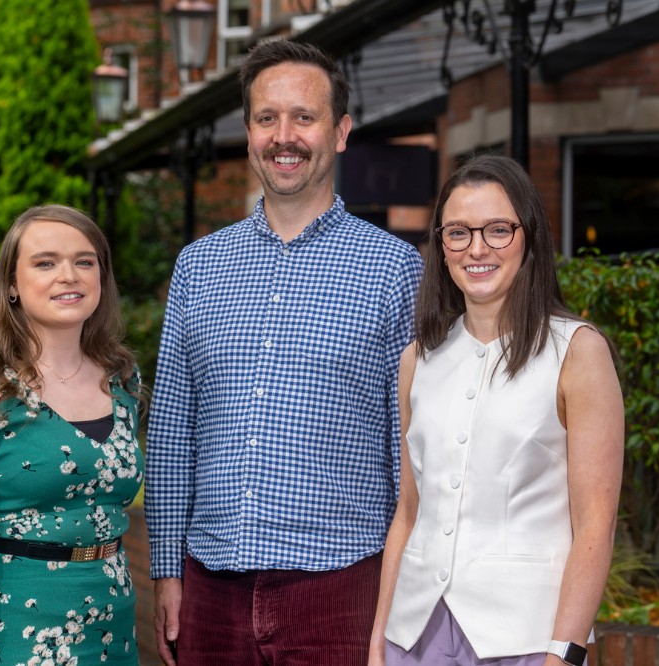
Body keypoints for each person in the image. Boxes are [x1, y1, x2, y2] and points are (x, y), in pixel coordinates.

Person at [145, 39, 424, 665]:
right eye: (267, 118)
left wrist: (400, 591)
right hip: (210, 589)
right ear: (248, 135)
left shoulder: (394, 270)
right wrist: (166, 570)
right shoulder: (199, 267)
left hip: (342, 588)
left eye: (304, 116)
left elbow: (410, 447)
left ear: (341, 131)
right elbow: (170, 431)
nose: (284, 136)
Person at [370, 154, 625, 666]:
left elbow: (596, 524)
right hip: (413, 637)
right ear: (441, 247)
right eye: (458, 233)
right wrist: (378, 642)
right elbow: (409, 513)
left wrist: (565, 653)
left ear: (528, 237)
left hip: (527, 643)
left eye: (498, 230)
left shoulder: (578, 351)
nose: (477, 248)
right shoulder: (416, 361)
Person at [0, 204, 145, 666]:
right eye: (45, 262)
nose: (68, 275)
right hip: (11, 626)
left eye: (84, 261)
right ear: (12, 284)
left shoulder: (122, 379)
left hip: (113, 624)